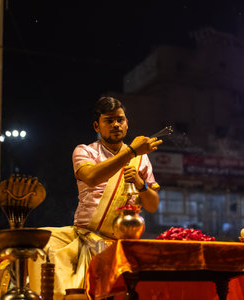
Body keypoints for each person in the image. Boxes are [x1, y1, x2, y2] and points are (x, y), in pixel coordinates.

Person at [29, 96, 162, 299]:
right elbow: (91, 177)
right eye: (109, 120)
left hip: (121, 244)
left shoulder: (142, 159)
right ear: (96, 126)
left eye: (120, 119)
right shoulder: (85, 151)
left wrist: (140, 183)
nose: (116, 124)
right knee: (38, 243)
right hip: (86, 237)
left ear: (127, 123)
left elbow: (152, 206)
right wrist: (131, 152)